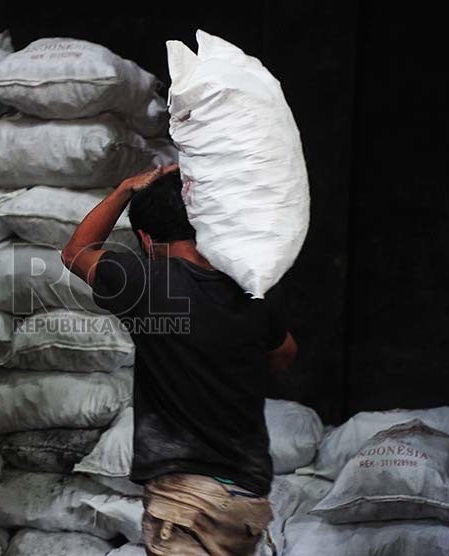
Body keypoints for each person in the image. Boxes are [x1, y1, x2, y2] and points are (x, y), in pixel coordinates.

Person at [61, 164, 298, 556]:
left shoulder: (148, 284)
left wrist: (124, 188)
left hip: (186, 498)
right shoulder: (251, 289)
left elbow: (76, 252)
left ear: (145, 239)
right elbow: (285, 353)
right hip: (247, 497)